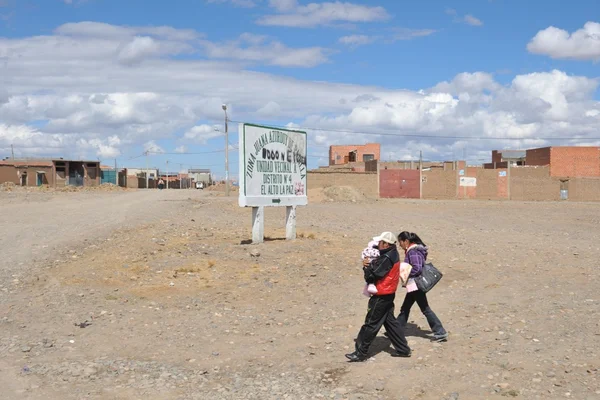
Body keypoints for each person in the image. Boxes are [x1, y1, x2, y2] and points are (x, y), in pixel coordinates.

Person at [346, 232, 412, 362]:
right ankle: (403, 349)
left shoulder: (386, 257)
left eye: (380, 242)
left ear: (386, 244)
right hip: (389, 293)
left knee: (370, 324)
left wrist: (366, 266)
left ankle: (360, 352)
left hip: (381, 295)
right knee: (390, 323)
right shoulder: (392, 253)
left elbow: (372, 276)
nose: (378, 244)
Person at [396, 231, 448, 342]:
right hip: (414, 285)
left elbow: (417, 268)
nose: (399, 245)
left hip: (415, 285)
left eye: (400, 242)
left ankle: (440, 332)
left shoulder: (412, 252)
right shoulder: (414, 250)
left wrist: (405, 274)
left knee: (424, 309)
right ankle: (396, 330)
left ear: (406, 241)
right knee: (405, 308)